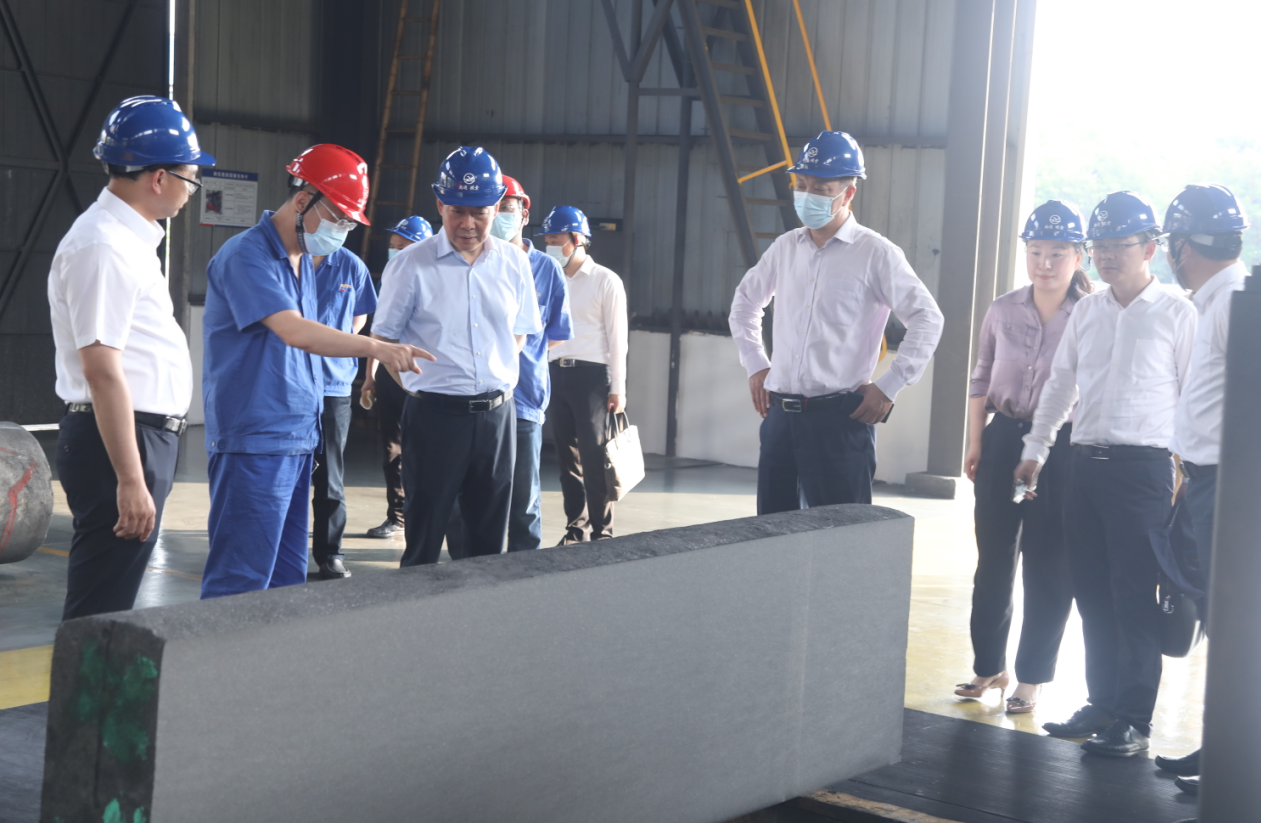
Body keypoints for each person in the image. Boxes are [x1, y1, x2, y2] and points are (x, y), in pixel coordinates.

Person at [201, 144, 430, 598]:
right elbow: (294, 331)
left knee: (287, 578)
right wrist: (376, 349)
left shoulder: (302, 263)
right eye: (338, 218)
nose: (341, 231)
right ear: (303, 200)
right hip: (254, 440)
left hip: (296, 438)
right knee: (241, 582)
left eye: (349, 223)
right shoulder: (247, 255)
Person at [1016, 191, 1197, 756]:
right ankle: (1101, 703)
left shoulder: (1177, 313)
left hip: (1143, 471)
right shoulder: (1088, 311)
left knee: (1134, 596)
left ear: (1149, 249)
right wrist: (1036, 448)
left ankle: (1134, 720)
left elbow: (1193, 398)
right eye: (1099, 246)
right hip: (1082, 467)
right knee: (1091, 592)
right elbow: (1060, 385)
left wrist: (1188, 475)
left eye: (1119, 245)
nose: (1107, 256)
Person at [47, 96, 214, 619]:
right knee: (100, 608)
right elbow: (102, 371)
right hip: (119, 444)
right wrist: (131, 479)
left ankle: (95, 675)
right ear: (159, 178)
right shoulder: (104, 246)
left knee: (111, 603)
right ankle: (84, 679)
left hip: (135, 438)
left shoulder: (126, 240)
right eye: (191, 179)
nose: (192, 191)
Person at [728, 130, 943, 511]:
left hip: (840, 422)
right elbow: (744, 302)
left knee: (840, 536)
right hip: (780, 420)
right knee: (770, 533)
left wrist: (889, 386)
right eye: (802, 185)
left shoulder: (875, 254)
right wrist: (756, 364)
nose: (807, 194)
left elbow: (927, 318)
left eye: (821, 188)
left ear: (848, 193)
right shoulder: (785, 248)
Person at [371, 146, 543, 565]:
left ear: (496, 208)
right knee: (425, 536)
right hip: (434, 418)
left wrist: (493, 374)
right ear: (439, 206)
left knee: (488, 543)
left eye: (479, 213)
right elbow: (385, 342)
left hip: (497, 418)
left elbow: (519, 331)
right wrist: (425, 389)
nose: (467, 224)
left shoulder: (514, 263)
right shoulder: (410, 265)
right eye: (456, 212)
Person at [955, 200, 1090, 714]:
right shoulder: (1002, 309)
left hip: (1063, 448)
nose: (1045, 263)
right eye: (1036, 252)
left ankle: (1031, 678)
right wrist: (976, 442)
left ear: (1078, 257)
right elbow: (980, 378)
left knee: (1049, 564)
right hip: (1004, 438)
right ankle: (989, 666)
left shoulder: (1090, 316)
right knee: (993, 560)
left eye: (1057, 253)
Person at [1152, 184, 1250, 796]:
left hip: (1229, 487)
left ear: (1185, 247)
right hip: (1207, 480)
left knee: (1232, 622)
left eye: (1171, 244)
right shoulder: (1218, 300)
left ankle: (1233, 761)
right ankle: (1222, 747)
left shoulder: (1234, 302)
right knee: (1220, 618)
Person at [448, 176, 572, 556]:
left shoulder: (546, 269)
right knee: (463, 497)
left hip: (523, 401)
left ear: (524, 213)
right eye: (494, 207)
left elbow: (554, 335)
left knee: (523, 501)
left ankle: (523, 574)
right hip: (471, 398)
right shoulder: (465, 262)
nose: (500, 215)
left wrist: (516, 357)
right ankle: (464, 571)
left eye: (507, 207)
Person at [543, 206, 628, 544]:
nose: (550, 246)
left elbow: (618, 339)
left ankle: (602, 532)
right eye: (548, 240)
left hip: (592, 377)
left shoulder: (606, 280)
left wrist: (618, 387)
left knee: (595, 458)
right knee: (567, 459)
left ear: (577, 239)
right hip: (555, 372)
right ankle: (576, 529)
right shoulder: (550, 278)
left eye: (556, 240)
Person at [362, 216, 433, 539]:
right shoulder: (391, 279)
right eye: (393, 247)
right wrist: (370, 375)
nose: (395, 253)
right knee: (392, 450)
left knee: (426, 451)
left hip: (424, 378)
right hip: (391, 375)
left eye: (402, 247)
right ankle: (398, 516)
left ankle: (426, 517)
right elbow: (379, 335)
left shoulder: (439, 282)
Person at [310, 244, 377, 578]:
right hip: (285, 382)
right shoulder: (282, 256)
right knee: (282, 472)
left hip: (333, 384)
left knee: (329, 476)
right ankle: (279, 549)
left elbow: (360, 315)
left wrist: (337, 342)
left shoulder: (351, 266)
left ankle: (330, 554)